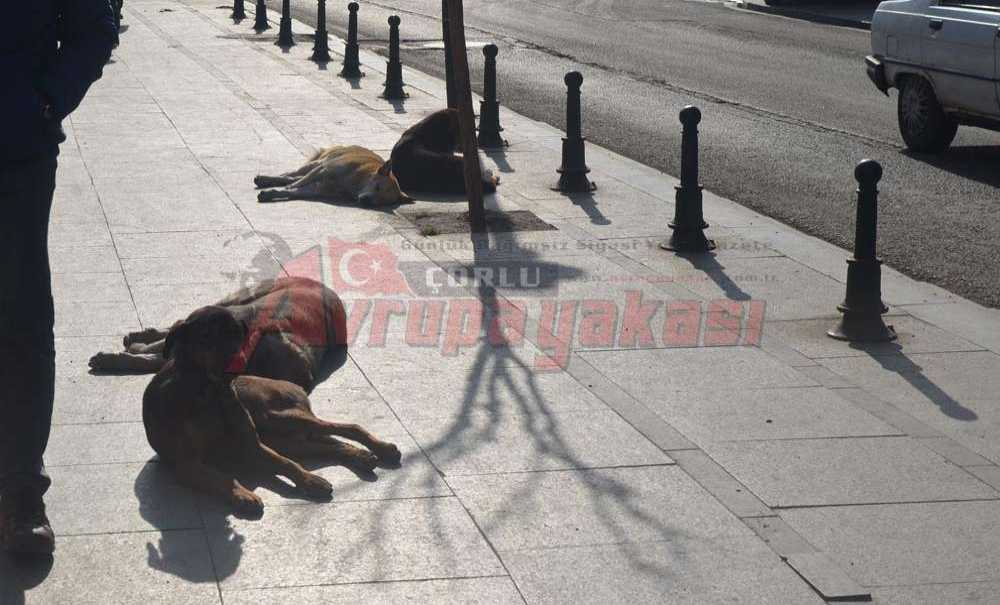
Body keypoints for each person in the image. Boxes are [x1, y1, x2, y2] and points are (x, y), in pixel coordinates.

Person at [0, 1, 118, 556]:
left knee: (21, 317)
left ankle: (23, 493)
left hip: (16, 148)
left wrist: (43, 103)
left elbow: (94, 28)